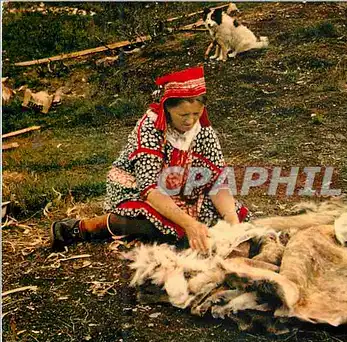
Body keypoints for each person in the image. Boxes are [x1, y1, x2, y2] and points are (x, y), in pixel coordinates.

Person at [50, 66, 250, 253]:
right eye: (183, 114)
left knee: (232, 215)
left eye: (196, 114)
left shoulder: (203, 130)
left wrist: (231, 221)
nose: (189, 120)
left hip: (180, 190)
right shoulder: (150, 127)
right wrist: (189, 224)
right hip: (139, 190)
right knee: (153, 225)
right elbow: (150, 190)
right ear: (167, 108)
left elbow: (216, 181)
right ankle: (84, 228)